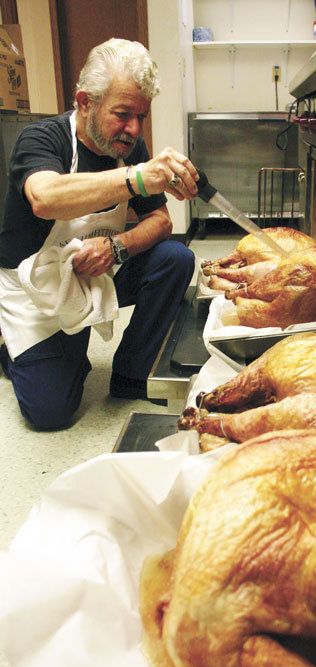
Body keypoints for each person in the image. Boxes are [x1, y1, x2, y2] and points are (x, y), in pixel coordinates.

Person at [0, 37, 199, 430]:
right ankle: (12, 349)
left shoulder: (129, 145)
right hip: (35, 290)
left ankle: (131, 373)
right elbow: (45, 197)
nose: (134, 129)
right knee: (52, 412)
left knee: (176, 259)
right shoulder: (42, 139)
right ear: (85, 101)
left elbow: (161, 221)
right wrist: (135, 177)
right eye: (123, 114)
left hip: (93, 275)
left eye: (142, 116)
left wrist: (117, 245)